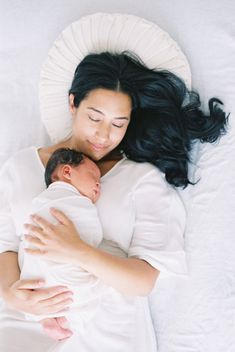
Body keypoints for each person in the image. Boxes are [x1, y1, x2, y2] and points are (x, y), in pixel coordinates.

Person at [0, 52, 228, 352]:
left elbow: (142, 281)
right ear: (72, 103)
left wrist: (78, 251)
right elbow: (6, 247)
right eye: (94, 117)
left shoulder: (141, 179)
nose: (103, 135)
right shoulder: (20, 167)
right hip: (26, 325)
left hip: (105, 334)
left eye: (118, 124)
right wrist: (11, 295)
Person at [20, 148, 105, 339]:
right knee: (99, 282)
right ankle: (70, 316)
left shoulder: (40, 202)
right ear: (67, 172)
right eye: (94, 176)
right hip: (60, 274)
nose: (99, 185)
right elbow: (93, 236)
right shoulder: (75, 203)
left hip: (35, 283)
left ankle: (47, 318)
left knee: (34, 262)